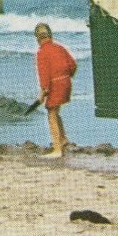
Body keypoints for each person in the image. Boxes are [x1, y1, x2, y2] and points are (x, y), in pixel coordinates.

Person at [34, 23, 77, 158]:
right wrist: (66, 78)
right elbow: (73, 66)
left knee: (51, 113)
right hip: (66, 82)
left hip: (55, 84)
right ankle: (63, 139)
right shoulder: (60, 47)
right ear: (50, 35)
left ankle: (57, 149)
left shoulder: (42, 52)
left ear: (37, 38)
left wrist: (43, 92)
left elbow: (44, 74)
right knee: (55, 110)